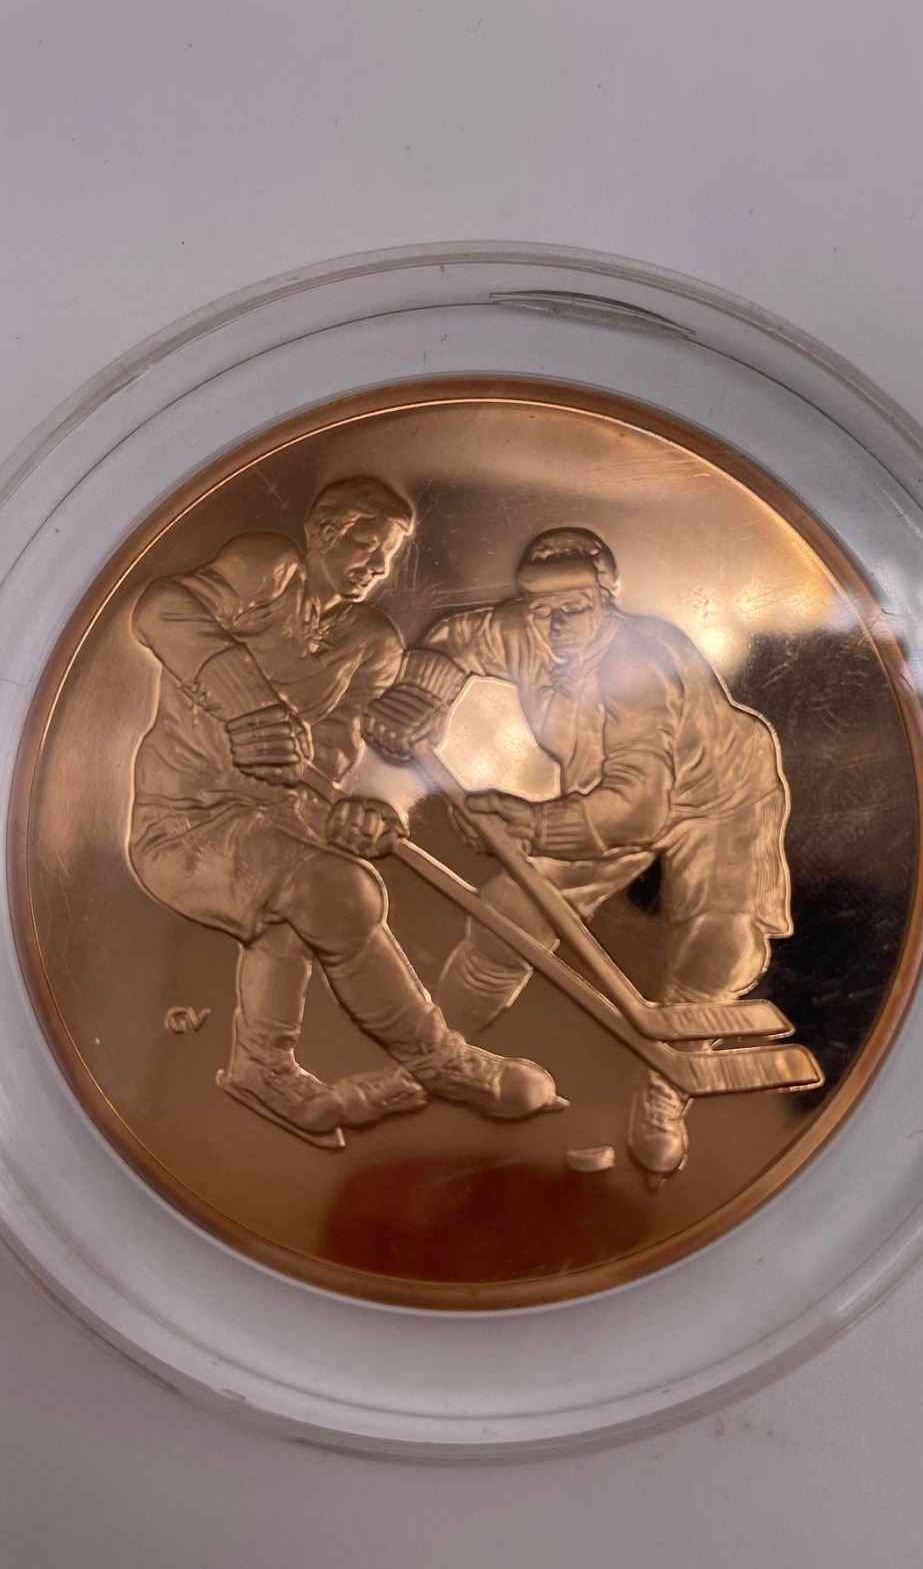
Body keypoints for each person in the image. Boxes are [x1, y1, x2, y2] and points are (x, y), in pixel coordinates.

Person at [127, 474, 560, 1143]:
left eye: (388, 556)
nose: (378, 566)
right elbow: (160, 608)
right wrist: (248, 705)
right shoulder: (270, 568)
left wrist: (351, 819)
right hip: (185, 824)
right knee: (339, 893)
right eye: (367, 545)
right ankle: (439, 1061)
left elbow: (324, 770)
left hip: (270, 829)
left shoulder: (372, 643)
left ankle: (260, 1067)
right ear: (326, 532)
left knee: (304, 900)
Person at [362, 525, 793, 1177]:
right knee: (510, 913)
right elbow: (452, 641)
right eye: (542, 608)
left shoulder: (640, 666)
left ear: (606, 600)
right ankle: (434, 1057)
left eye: (576, 608)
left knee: (723, 948)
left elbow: (639, 808)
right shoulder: (521, 630)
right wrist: (420, 696)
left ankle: (667, 1086)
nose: (557, 624)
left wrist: (530, 826)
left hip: (718, 797)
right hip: (600, 791)